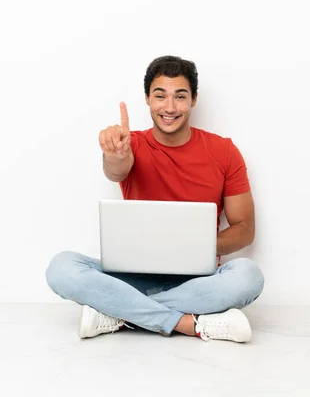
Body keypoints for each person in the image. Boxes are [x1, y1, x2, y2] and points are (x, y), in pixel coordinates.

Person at [46, 56, 264, 343]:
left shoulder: (223, 151)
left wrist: (193, 247)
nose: (170, 107)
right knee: (61, 267)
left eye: (180, 97)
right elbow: (116, 170)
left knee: (248, 276)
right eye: (160, 96)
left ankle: (121, 314)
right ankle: (188, 323)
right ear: (148, 99)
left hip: (199, 280)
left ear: (194, 100)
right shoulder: (129, 145)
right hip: (132, 276)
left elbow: (244, 229)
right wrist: (114, 156)